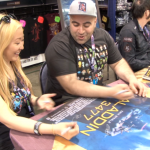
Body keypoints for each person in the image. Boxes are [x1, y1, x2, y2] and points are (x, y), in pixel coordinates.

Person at [45, 0, 147, 106]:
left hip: (97, 96)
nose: (80, 31)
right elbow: (71, 84)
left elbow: (118, 63)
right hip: (68, 102)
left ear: (95, 22)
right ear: (70, 21)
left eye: (86, 25)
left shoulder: (103, 36)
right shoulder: (59, 44)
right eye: (75, 24)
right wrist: (111, 92)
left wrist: (132, 79)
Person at [0, 13, 79, 150]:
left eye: (23, 41)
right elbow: (9, 120)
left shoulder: (13, 64)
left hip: (28, 129)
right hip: (10, 140)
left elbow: (20, 95)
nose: (23, 47)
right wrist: (53, 129)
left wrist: (36, 100)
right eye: (17, 43)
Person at [118, 0, 150, 72]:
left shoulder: (146, 28)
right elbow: (130, 61)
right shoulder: (128, 32)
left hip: (146, 67)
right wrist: (148, 63)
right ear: (147, 13)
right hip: (135, 73)